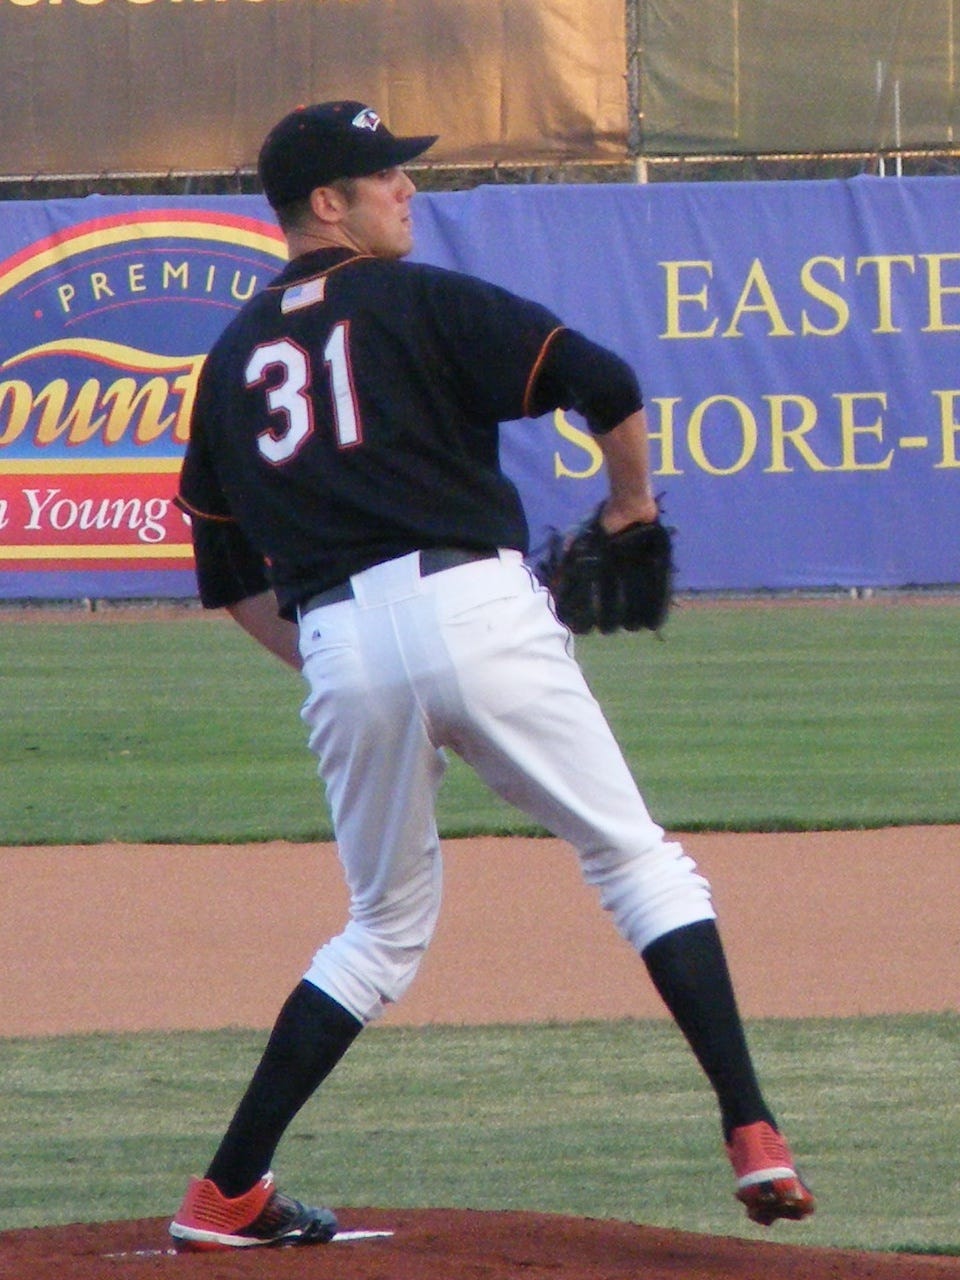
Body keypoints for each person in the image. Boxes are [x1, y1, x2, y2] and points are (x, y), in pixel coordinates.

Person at [168, 100, 815, 1251]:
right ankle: (753, 1126)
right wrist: (628, 505)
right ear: (330, 204)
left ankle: (228, 1190)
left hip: (338, 642)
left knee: (379, 930)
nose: (405, 191)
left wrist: (340, 659)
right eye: (385, 177)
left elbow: (227, 577)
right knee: (635, 859)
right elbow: (606, 379)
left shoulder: (227, 363)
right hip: (476, 605)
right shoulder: (419, 299)